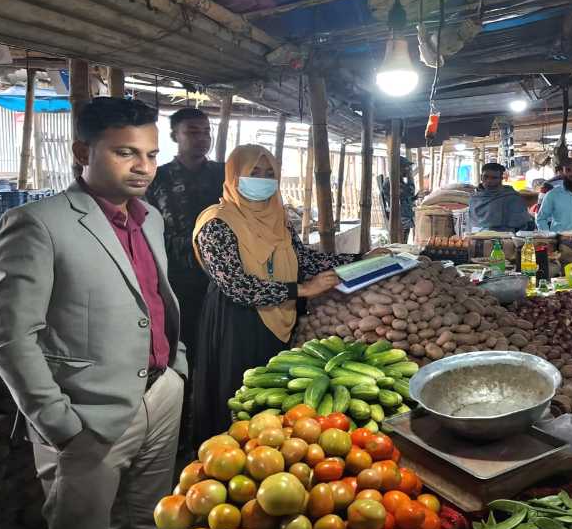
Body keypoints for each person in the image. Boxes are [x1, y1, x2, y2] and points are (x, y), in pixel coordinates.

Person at [0, 97, 186, 529]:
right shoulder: (36, 224)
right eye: (125, 152)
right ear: (82, 152)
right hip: (87, 414)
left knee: (145, 528)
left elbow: (157, 298)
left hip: (160, 393)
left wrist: (177, 369)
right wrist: (59, 423)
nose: (143, 167)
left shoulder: (149, 219)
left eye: (152, 154)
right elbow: (9, 337)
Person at [192, 145, 387, 444]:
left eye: (270, 173)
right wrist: (303, 290)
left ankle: (270, 454)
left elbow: (305, 261)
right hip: (237, 322)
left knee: (271, 393)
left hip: (279, 313)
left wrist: (362, 258)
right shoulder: (216, 223)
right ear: (234, 176)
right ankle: (225, 456)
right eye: (254, 173)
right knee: (237, 395)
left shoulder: (278, 218)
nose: (263, 179)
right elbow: (238, 285)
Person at [145, 108, 224, 364]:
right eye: (192, 131)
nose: (202, 138)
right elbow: (146, 227)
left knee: (219, 342)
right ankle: (184, 396)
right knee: (181, 341)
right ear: (174, 135)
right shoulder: (156, 178)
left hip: (223, 273)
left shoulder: (224, 175)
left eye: (206, 131)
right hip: (175, 276)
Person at [468, 162, 535, 232]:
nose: (489, 181)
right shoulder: (474, 198)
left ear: (501, 179)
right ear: (481, 177)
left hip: (506, 238)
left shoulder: (512, 197)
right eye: (486, 177)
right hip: (476, 238)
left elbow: (521, 224)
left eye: (494, 178)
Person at [379, 156, 418, 242]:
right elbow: (408, 193)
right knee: (401, 243)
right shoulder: (391, 182)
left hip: (405, 217)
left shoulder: (399, 181)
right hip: (400, 219)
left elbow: (406, 198)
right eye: (405, 167)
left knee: (404, 242)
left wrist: (415, 197)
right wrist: (410, 176)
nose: (407, 169)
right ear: (398, 168)